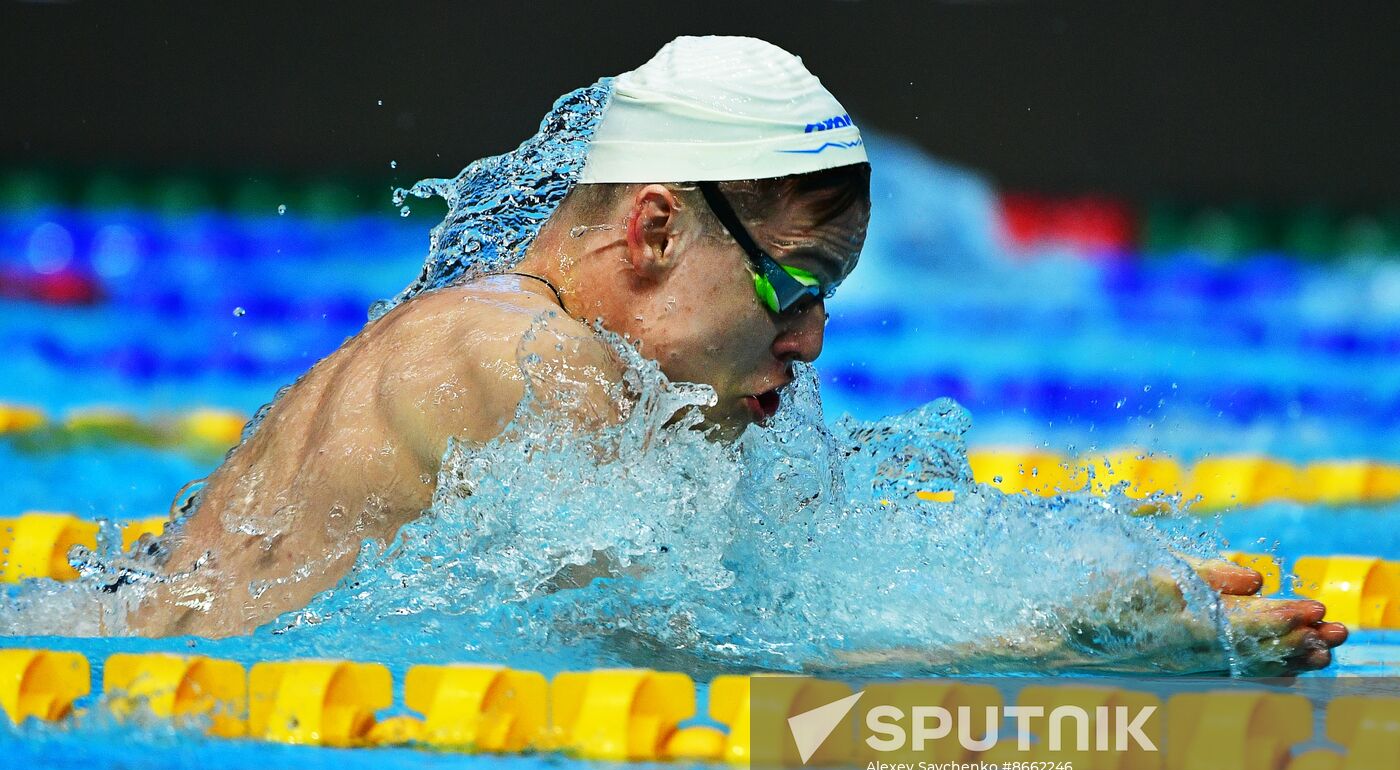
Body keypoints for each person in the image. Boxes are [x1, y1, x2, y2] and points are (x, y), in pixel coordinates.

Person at [122, 36, 1346, 676]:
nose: (806, 341)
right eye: (792, 288)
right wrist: (1071, 639)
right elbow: (672, 653)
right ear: (657, 226)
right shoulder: (533, 359)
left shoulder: (490, 326)